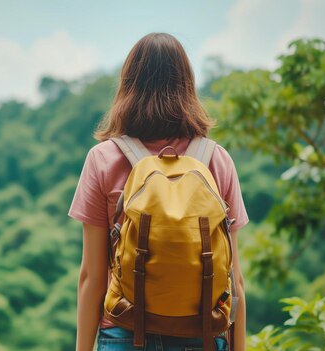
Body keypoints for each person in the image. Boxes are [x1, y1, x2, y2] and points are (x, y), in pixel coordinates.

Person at [69, 32, 249, 351]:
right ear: (187, 85)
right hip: (202, 334)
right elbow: (235, 283)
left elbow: (91, 277)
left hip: (125, 333)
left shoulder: (103, 159)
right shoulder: (216, 161)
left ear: (128, 85)